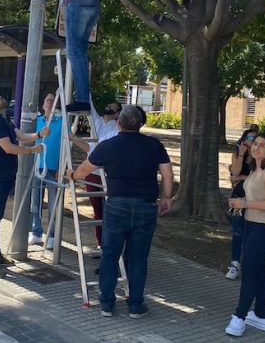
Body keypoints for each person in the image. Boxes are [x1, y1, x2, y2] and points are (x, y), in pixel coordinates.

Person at [68, 106, 173, 319]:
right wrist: (166, 197)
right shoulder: (154, 145)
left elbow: (85, 169)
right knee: (138, 257)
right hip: (146, 206)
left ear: (118, 124)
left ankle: (106, 303)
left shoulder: (109, 145)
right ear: (141, 124)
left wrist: (72, 175)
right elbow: (167, 174)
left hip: (116, 206)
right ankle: (135, 305)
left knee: (110, 254)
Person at [0, 92, 47, 278]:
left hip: (4, 176)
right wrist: (32, 150)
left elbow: (22, 136)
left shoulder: (4, 120)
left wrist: (39, 134)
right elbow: (8, 147)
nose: (1, 97)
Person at [225, 133, 265, 336]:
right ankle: (260, 315)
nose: (256, 148)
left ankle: (239, 317)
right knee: (257, 271)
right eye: (255, 144)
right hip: (250, 224)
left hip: (264, 228)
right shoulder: (254, 171)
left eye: (262, 145)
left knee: (249, 270)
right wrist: (238, 203)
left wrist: (245, 203)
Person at [70, 99, 121, 257]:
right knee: (97, 211)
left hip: (106, 174)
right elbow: (90, 149)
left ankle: (111, 246)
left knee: (109, 211)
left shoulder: (117, 129)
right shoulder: (97, 123)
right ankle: (101, 245)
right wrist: (74, 139)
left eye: (114, 106)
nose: (109, 106)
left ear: (118, 113)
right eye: (109, 104)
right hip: (92, 174)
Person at [29, 93, 64, 249]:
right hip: (37, 166)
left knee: (52, 204)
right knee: (35, 202)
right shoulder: (37, 122)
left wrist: (61, 167)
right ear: (43, 105)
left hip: (53, 168)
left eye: (52, 100)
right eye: (47, 100)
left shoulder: (61, 122)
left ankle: (51, 234)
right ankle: (36, 232)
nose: (49, 102)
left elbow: (65, 146)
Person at [226, 128, 259, 281]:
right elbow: (234, 174)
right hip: (238, 198)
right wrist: (241, 153)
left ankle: (249, 265)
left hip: (254, 200)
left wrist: (242, 177)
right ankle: (234, 264)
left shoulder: (259, 157)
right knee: (237, 232)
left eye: (254, 139)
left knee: (251, 234)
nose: (251, 141)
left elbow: (259, 177)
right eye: (248, 137)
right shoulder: (238, 153)